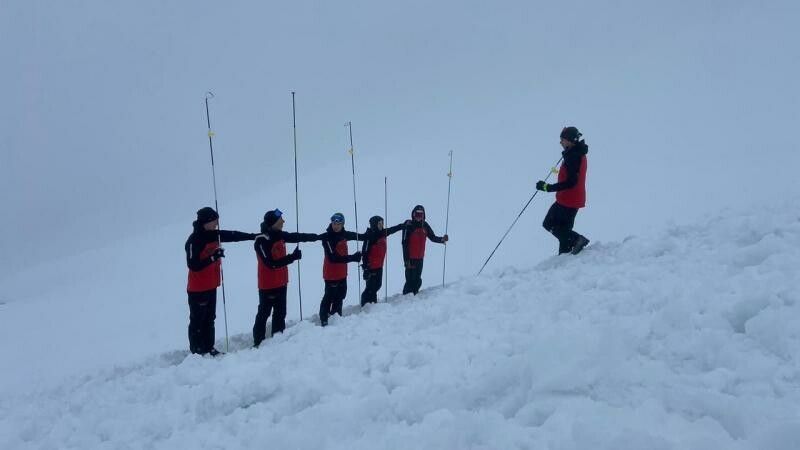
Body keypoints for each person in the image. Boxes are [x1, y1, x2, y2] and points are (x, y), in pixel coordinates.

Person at [185, 207, 256, 356]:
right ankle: (197, 352)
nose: (217, 223)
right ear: (207, 222)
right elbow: (193, 265)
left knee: (210, 318)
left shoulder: (214, 235)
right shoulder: (194, 240)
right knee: (198, 321)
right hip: (198, 289)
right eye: (215, 220)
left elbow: (232, 235)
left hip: (212, 285)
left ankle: (209, 348)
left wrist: (253, 236)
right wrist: (213, 257)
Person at [252, 208, 321, 347]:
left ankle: (277, 340)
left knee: (280, 313)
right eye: (280, 220)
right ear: (273, 223)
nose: (283, 221)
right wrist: (292, 257)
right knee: (263, 314)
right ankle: (258, 343)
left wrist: (317, 237)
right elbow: (271, 264)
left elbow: (297, 236)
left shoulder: (280, 234)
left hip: (282, 283)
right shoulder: (261, 240)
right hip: (267, 285)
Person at [536, 126, 590, 255]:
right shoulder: (576, 153)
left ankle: (578, 239)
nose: (560, 142)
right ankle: (565, 258)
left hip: (568, 200)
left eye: (562, 140)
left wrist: (548, 187)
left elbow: (571, 182)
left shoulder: (573, 156)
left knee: (549, 224)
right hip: (571, 199)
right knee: (563, 231)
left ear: (570, 140)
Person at [319, 212, 364, 326]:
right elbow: (333, 258)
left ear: (343, 224)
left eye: (338, 223)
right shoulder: (327, 237)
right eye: (334, 223)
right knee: (329, 297)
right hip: (330, 274)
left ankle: (336, 316)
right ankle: (324, 318)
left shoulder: (344, 235)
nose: (336, 225)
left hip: (342, 274)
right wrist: (353, 258)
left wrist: (371, 234)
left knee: (340, 297)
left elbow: (360, 236)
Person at [400, 205, 448, 295]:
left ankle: (415, 296)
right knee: (410, 280)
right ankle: (406, 299)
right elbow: (404, 244)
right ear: (413, 214)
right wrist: (406, 260)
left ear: (424, 215)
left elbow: (432, 237)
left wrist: (442, 239)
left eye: (421, 215)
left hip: (420, 258)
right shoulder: (409, 225)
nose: (418, 217)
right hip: (410, 258)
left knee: (418, 279)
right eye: (416, 214)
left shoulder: (425, 225)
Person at [360, 215, 403, 306]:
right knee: (370, 288)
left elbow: (393, 229)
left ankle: (372, 303)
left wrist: (402, 225)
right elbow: (365, 252)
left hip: (379, 266)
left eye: (382, 223)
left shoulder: (383, 232)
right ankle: (365, 304)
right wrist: (366, 268)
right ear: (374, 224)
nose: (381, 225)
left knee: (377, 285)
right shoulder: (369, 236)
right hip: (370, 267)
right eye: (379, 223)